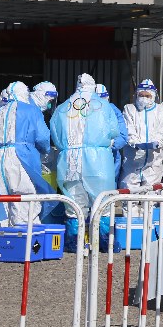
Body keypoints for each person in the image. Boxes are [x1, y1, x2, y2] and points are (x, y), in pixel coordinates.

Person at [51, 74, 118, 250]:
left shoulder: (63, 107)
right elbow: (113, 130)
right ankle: (103, 242)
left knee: (74, 202)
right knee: (102, 202)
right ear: (93, 86)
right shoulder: (103, 105)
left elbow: (55, 135)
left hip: (69, 161)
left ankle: (74, 242)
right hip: (98, 161)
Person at [0, 81, 55, 225]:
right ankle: (26, 236)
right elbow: (43, 138)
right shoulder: (31, 111)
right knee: (25, 199)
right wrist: (45, 151)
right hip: (21, 159)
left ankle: (6, 235)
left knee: (3, 201)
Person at [120, 79, 163, 188]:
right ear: (136, 95)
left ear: (153, 96)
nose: (144, 98)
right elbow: (128, 129)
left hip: (153, 162)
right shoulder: (130, 109)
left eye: (147, 96)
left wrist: (156, 143)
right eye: (141, 95)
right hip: (132, 161)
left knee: (151, 194)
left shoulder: (161, 111)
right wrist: (135, 143)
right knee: (128, 193)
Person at [29, 81, 59, 190]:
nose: (50, 104)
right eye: (50, 100)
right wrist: (47, 151)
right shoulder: (34, 110)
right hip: (26, 154)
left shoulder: (23, 105)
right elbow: (42, 138)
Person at [95, 84, 129, 177]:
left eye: (102, 99)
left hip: (111, 156)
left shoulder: (114, 110)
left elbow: (123, 136)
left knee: (110, 183)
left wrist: (110, 144)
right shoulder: (84, 112)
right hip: (90, 157)